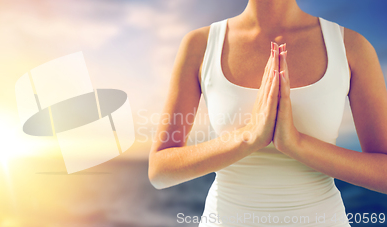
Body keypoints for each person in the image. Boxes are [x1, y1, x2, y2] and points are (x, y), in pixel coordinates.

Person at [148, 0, 387, 226]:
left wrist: (297, 144)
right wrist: (248, 137)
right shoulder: (201, 44)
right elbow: (160, 171)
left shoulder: (350, 46)